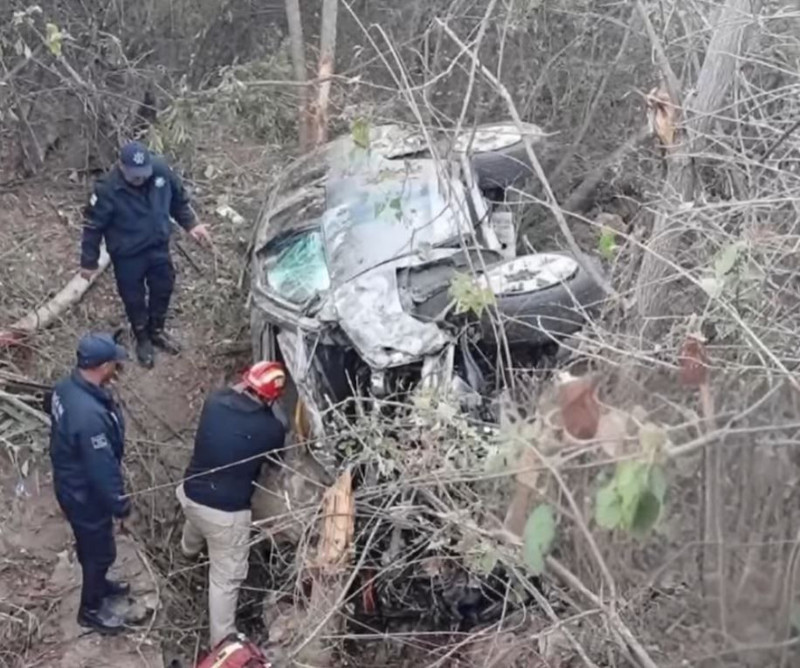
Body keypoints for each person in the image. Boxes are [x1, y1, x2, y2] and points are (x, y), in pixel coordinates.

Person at [176, 361, 287, 647]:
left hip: (189, 494)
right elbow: (275, 462)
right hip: (225, 515)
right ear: (270, 397)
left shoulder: (214, 402)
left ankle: (186, 552)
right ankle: (221, 642)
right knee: (226, 579)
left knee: (198, 519)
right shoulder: (270, 429)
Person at [79, 141, 212, 369]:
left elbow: (178, 201)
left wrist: (192, 225)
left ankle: (157, 330)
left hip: (157, 245)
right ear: (121, 167)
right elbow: (92, 227)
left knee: (164, 286)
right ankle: (142, 338)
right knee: (133, 298)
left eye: (143, 174)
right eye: (134, 175)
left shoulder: (160, 171)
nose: (140, 179)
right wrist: (88, 261)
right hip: (127, 254)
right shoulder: (107, 189)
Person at [49, 333, 131, 634]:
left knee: (90, 546)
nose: (117, 367)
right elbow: (101, 468)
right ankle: (91, 610)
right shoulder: (89, 417)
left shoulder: (65, 388)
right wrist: (119, 503)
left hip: (70, 481)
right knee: (100, 551)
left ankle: (100, 586)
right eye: (115, 363)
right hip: (84, 492)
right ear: (103, 365)